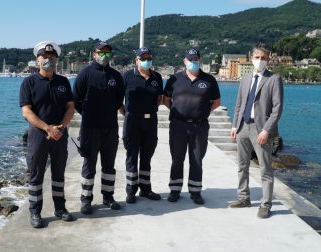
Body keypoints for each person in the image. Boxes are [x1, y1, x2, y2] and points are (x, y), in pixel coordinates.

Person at [19, 41, 75, 228]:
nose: (48, 60)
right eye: (45, 57)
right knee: (36, 175)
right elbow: (26, 111)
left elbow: (70, 107)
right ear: (37, 60)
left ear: (57, 61)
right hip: (37, 135)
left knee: (58, 173)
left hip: (60, 133)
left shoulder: (63, 82)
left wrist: (61, 127)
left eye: (52, 58)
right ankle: (35, 212)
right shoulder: (29, 82)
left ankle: (60, 208)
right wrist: (47, 128)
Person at [229, 42, 284, 219]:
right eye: (257, 57)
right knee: (242, 165)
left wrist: (267, 130)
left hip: (261, 130)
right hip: (243, 127)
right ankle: (243, 197)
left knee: (265, 169)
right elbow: (239, 104)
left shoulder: (274, 79)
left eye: (263, 58)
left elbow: (277, 108)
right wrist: (234, 126)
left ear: (268, 60)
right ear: (251, 58)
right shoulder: (245, 79)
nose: (260, 61)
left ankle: (266, 204)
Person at [163, 48, 221, 205]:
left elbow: (216, 102)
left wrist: (202, 113)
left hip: (199, 127)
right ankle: (174, 190)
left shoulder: (209, 80)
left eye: (196, 60)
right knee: (177, 159)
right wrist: (177, 112)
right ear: (184, 61)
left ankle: (195, 192)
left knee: (196, 160)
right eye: (190, 59)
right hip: (178, 125)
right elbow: (166, 99)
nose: (193, 62)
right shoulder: (174, 79)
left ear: (200, 61)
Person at [73, 41, 124, 215]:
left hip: (110, 127)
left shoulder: (116, 76)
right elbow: (76, 100)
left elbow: (119, 100)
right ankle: (86, 200)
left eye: (107, 53)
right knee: (89, 165)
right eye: (101, 52)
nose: (104, 55)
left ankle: (108, 197)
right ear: (94, 54)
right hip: (90, 128)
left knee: (109, 165)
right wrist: (88, 114)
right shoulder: (85, 73)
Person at [119, 47, 163, 204]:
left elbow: (159, 97)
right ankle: (131, 191)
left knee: (146, 157)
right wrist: (128, 114)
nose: (146, 61)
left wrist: (150, 110)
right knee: (131, 156)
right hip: (132, 122)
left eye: (148, 58)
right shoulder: (127, 76)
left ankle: (146, 189)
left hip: (150, 121)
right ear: (136, 60)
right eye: (142, 58)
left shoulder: (157, 77)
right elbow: (119, 101)